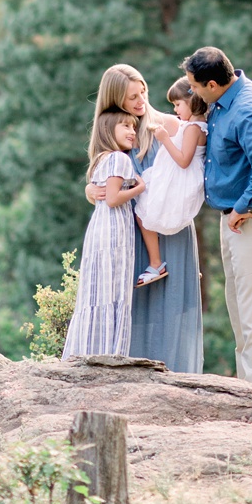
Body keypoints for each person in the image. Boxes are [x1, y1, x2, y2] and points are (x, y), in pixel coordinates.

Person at [183, 46, 252, 386]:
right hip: (235, 218)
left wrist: (243, 206)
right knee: (239, 308)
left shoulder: (247, 109)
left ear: (213, 83)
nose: (192, 93)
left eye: (195, 86)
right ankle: (246, 387)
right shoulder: (225, 98)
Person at [85, 64, 204, 373]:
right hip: (131, 232)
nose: (139, 103)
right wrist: (90, 190)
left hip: (172, 229)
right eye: (130, 98)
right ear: (114, 102)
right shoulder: (114, 132)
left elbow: (193, 168)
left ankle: (180, 380)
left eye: (142, 93)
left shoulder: (171, 125)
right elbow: (100, 176)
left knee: (175, 307)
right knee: (136, 309)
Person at [62, 110, 145, 358]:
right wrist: (139, 187)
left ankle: (86, 350)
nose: (132, 132)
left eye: (133, 127)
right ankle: (109, 354)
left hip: (99, 227)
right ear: (109, 131)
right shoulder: (120, 159)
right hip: (114, 229)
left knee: (97, 290)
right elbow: (113, 199)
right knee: (113, 290)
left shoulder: (101, 159)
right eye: (125, 127)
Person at [136, 77, 208, 242]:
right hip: (178, 173)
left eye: (177, 104)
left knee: (147, 206)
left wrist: (164, 138)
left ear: (191, 101)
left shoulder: (193, 128)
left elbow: (183, 161)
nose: (175, 110)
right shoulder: (195, 125)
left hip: (180, 177)